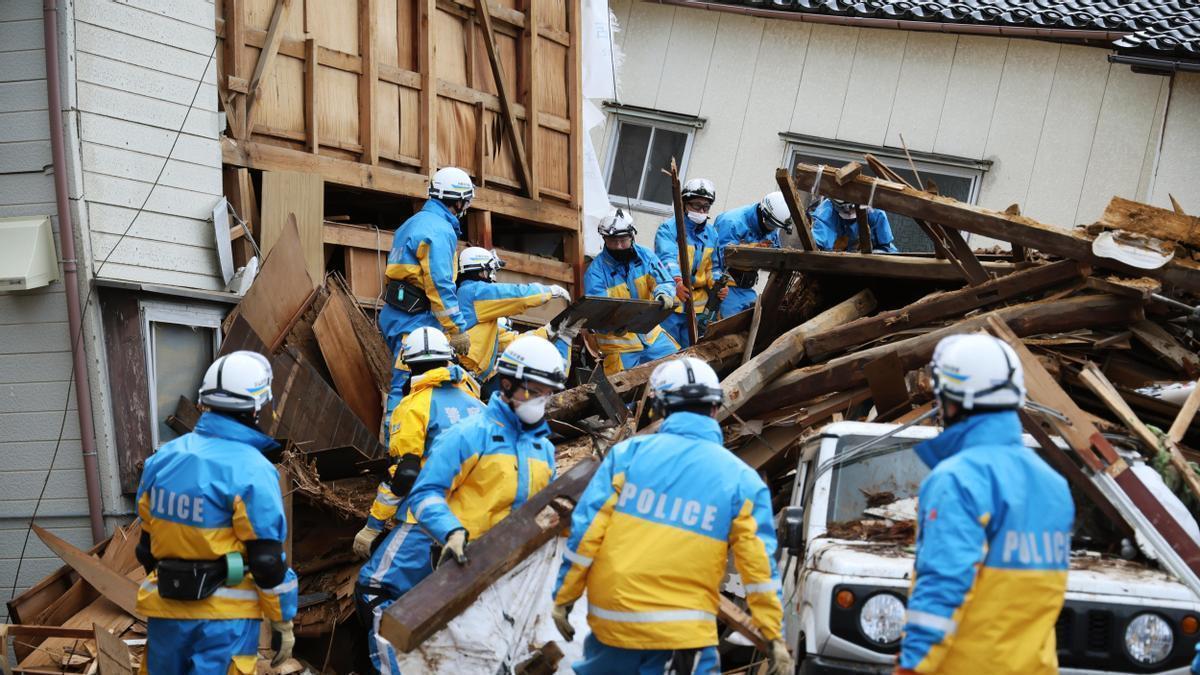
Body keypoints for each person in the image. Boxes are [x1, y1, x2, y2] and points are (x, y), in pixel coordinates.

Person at [550, 356, 793, 675]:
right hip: (683, 636)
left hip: (614, 624)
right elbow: (758, 568)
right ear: (715, 409)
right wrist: (772, 635)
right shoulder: (742, 482)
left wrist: (564, 598)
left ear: (659, 409)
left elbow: (586, 533)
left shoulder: (626, 457)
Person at [356, 335, 566, 674]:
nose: (541, 399)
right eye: (534, 389)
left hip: (503, 575)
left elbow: (405, 475)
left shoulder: (544, 451)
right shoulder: (471, 429)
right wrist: (450, 531)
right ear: (508, 382)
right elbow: (425, 491)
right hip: (457, 561)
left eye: (548, 391)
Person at [896, 333, 1073, 674]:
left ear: (953, 401)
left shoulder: (956, 479)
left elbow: (943, 586)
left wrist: (911, 666)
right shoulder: (1054, 485)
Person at [135, 351, 298, 673]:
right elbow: (267, 562)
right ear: (255, 407)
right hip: (225, 622)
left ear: (204, 401)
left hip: (166, 612)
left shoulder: (163, 459)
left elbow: (146, 548)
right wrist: (282, 622)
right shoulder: (253, 469)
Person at [351, 327, 486, 560]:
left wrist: (373, 526)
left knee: (374, 586)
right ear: (448, 358)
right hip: (477, 514)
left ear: (408, 364)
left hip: (425, 519)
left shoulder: (413, 406)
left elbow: (405, 474)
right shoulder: (476, 402)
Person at [379, 167, 475, 422]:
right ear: (458, 201)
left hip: (396, 313)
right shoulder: (440, 231)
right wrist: (456, 329)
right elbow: (440, 284)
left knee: (414, 380)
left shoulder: (411, 224)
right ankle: (396, 448)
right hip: (415, 321)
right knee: (407, 383)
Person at [455, 246, 579, 394]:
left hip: (469, 379)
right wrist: (548, 291)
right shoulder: (473, 292)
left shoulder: (479, 311)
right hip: (463, 376)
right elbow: (515, 295)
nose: (492, 276)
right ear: (482, 271)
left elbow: (510, 341)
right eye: (491, 270)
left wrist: (547, 332)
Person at [585, 208, 679, 375]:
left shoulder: (646, 256)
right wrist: (612, 324)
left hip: (650, 335)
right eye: (613, 241)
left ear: (632, 236)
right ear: (604, 239)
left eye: (623, 240)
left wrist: (664, 293)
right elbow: (597, 312)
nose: (619, 246)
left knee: (679, 366)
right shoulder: (595, 273)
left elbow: (664, 280)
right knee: (622, 390)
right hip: (618, 342)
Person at [655, 178, 727, 347]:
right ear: (684, 203)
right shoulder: (669, 229)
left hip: (697, 308)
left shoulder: (712, 234)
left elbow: (715, 267)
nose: (702, 210)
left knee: (691, 351)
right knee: (668, 351)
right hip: (672, 302)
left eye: (706, 207)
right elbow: (666, 259)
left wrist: (718, 285)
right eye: (696, 205)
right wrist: (677, 281)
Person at [714, 191, 790, 318]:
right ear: (763, 214)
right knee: (728, 330)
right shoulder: (732, 223)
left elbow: (776, 253)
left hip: (746, 288)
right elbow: (718, 259)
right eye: (772, 225)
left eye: (776, 227)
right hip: (725, 288)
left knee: (756, 320)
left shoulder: (771, 226)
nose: (772, 229)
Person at [810, 197, 898, 253]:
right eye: (844, 208)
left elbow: (884, 244)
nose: (848, 211)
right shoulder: (825, 214)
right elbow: (817, 245)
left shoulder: (875, 212)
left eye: (851, 208)